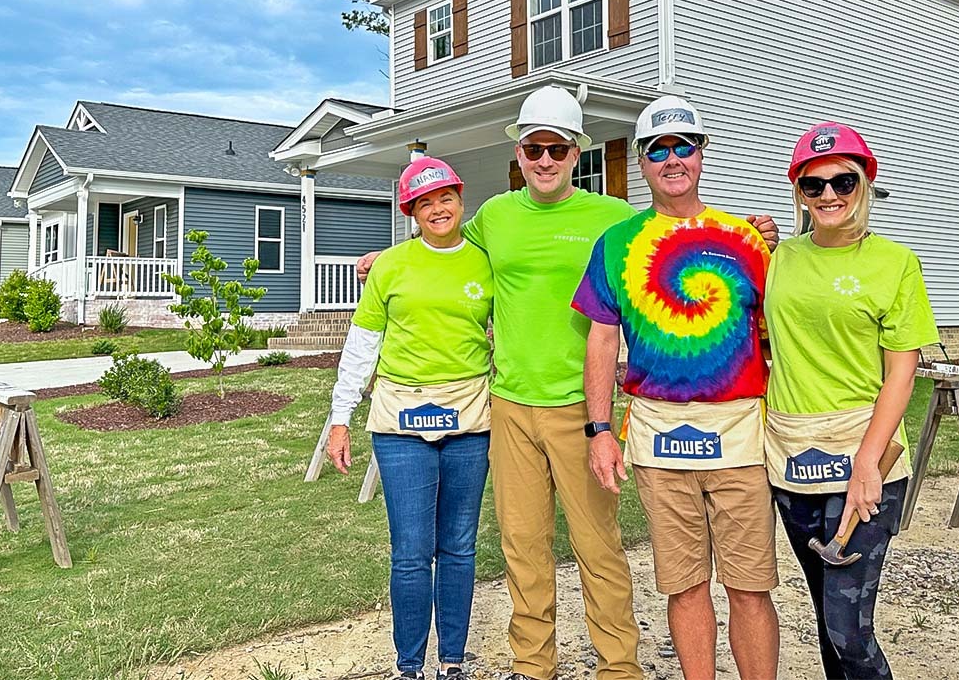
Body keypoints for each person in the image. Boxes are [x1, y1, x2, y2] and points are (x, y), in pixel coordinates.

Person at [358, 85, 779, 680]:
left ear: (577, 153)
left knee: (597, 547)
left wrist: (756, 228)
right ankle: (534, 665)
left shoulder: (612, 218)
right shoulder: (495, 217)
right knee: (523, 547)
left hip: (581, 405)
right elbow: (441, 238)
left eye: (557, 149)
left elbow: (679, 219)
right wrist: (388, 257)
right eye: (534, 149)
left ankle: (618, 666)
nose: (545, 160)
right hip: (509, 405)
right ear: (519, 155)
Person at [572, 95, 780, 679]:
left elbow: (780, 328)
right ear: (641, 161)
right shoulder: (617, 243)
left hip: (740, 435)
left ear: (701, 153)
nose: (672, 159)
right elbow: (601, 341)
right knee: (684, 586)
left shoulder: (746, 239)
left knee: (750, 587)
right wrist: (599, 430)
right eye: (657, 149)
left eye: (683, 146)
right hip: (659, 436)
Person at [763, 123, 939, 679]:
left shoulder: (894, 263)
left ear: (864, 184)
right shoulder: (779, 259)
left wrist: (867, 462)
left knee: (849, 627)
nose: (829, 195)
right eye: (813, 185)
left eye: (843, 181)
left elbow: (901, 375)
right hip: (792, 453)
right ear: (799, 192)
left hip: (865, 456)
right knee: (826, 617)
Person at [326, 156, 494, 680]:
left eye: (446, 198)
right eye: (425, 203)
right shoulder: (391, 266)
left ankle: (452, 661)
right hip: (401, 423)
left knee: (459, 547)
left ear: (461, 200)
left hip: (470, 420)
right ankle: (409, 666)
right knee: (411, 552)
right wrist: (339, 417)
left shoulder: (486, 261)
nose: (438, 209)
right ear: (412, 213)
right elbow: (362, 345)